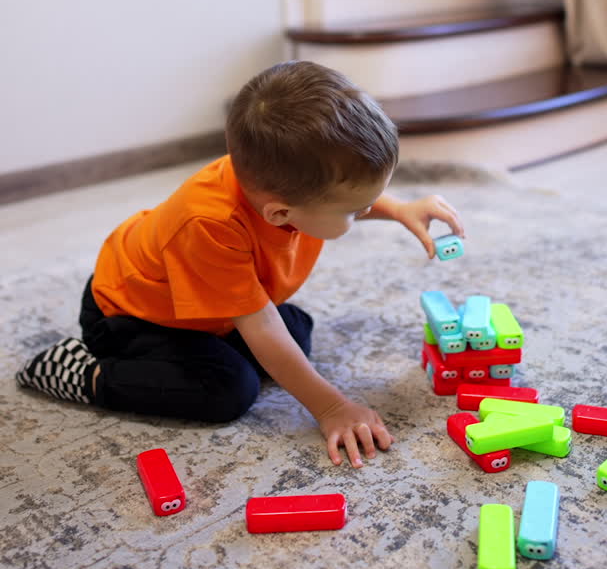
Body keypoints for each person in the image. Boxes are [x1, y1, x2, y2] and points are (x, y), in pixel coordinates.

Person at [17, 61, 464, 468]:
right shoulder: (208, 224)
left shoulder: (276, 184)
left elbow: (339, 197)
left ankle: (215, 349)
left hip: (201, 309)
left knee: (296, 334)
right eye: (357, 210)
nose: (367, 211)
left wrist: (400, 209)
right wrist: (331, 407)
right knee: (229, 389)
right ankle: (87, 372)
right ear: (280, 214)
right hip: (131, 315)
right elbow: (262, 325)